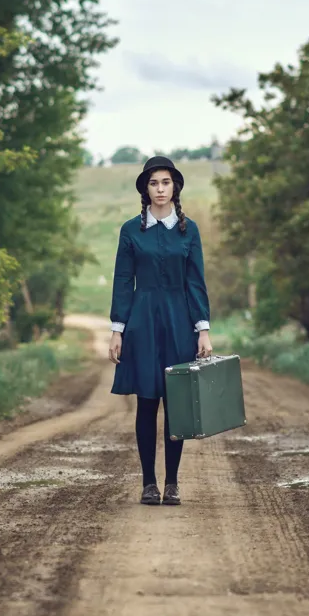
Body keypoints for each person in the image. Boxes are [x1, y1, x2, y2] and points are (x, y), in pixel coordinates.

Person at [107, 155, 213, 506]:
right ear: (145, 189)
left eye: (166, 182)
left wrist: (203, 330)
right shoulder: (130, 230)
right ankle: (149, 483)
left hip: (180, 322)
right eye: (154, 183)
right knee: (147, 402)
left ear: (175, 186)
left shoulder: (189, 230)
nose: (160, 189)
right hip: (143, 323)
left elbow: (196, 282)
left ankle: (172, 483)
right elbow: (123, 281)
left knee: (177, 404)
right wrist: (117, 330)